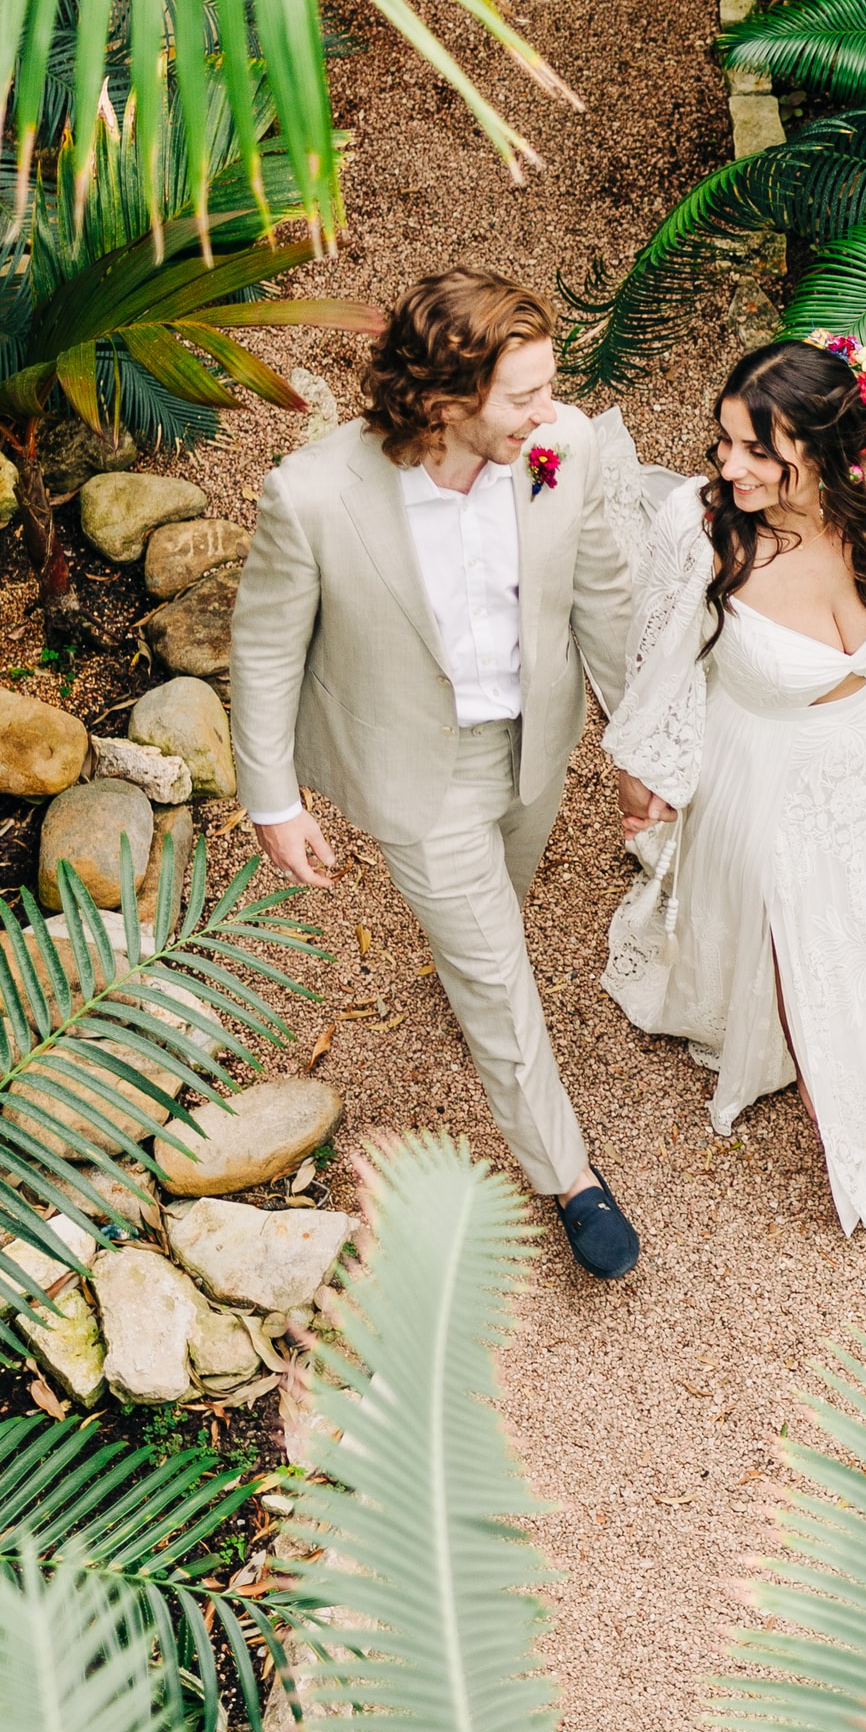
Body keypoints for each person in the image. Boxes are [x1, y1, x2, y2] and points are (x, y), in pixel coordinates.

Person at [229, 271, 647, 1279]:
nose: (552, 413)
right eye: (525, 396)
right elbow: (265, 648)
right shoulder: (316, 495)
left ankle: (471, 967)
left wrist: (637, 746)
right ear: (442, 397)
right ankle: (570, 1176)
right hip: (416, 771)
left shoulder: (565, 448)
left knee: (500, 900)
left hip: (533, 741)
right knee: (499, 979)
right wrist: (272, 800)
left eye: (551, 388)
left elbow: (604, 598)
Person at [598, 334, 866, 1234]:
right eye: (724, 444)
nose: (727, 467)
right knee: (803, 944)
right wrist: (646, 777)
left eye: (756, 452)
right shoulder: (703, 530)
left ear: (825, 454)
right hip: (770, 760)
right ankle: (834, 1089)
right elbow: (657, 661)